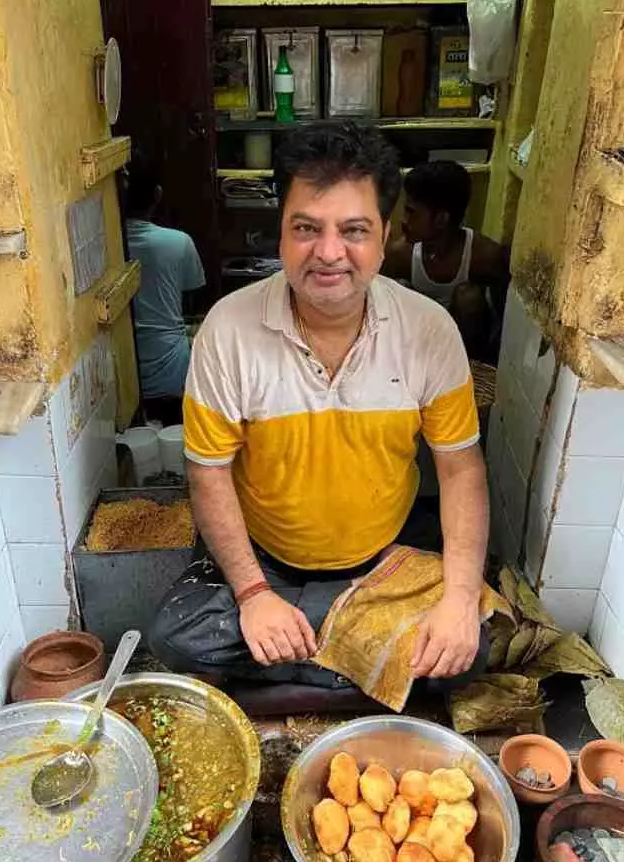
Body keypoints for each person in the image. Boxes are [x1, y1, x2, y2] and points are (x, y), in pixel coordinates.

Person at [148, 122, 490, 693]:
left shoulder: (430, 330)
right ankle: (351, 649)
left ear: (385, 237)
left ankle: (304, 650)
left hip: (385, 564)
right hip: (267, 562)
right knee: (177, 634)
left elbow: (460, 469)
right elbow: (207, 472)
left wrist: (456, 598)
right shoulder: (227, 329)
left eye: (353, 230)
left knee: (473, 642)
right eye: (306, 228)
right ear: (280, 234)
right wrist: (254, 596)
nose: (329, 253)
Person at [383, 160, 510, 364]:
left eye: (411, 212)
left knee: (468, 297)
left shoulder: (484, 255)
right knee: (396, 289)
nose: (403, 220)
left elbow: (505, 320)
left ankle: (471, 372)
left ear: (441, 220)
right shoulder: (401, 255)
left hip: (463, 350)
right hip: (421, 347)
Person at [122, 154, 207, 425]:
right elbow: (191, 299)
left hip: (123, 363)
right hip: (170, 364)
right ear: (157, 195)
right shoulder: (177, 242)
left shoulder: (109, 246)